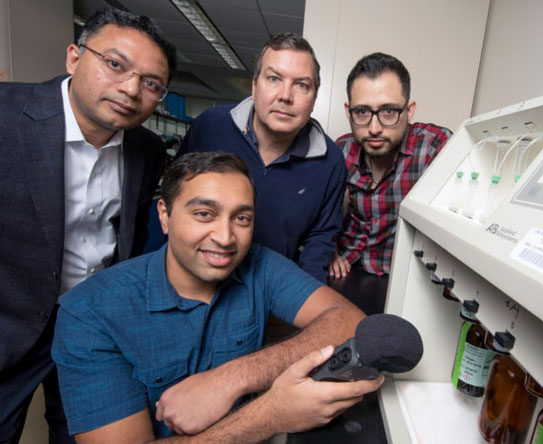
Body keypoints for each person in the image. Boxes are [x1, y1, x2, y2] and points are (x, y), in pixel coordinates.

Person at [52, 152, 383, 442]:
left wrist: (231, 379)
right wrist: (271, 414)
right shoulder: (88, 312)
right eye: (204, 214)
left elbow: (351, 321)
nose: (225, 238)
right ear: (164, 216)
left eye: (241, 218)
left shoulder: (261, 265)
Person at [0, 8, 176, 443]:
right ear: (75, 58)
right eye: (115, 65)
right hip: (10, 326)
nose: (131, 89)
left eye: (151, 84)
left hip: (92, 326)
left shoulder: (147, 149)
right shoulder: (7, 116)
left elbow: (127, 238)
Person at [177, 33, 346, 284]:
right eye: (274, 79)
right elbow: (175, 203)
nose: (285, 95)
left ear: (314, 98)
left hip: (269, 294)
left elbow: (319, 241)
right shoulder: (210, 127)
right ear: (255, 86)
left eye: (301, 85)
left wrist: (306, 307)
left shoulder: (331, 160)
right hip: (193, 282)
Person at [328, 53, 452, 311]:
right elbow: (317, 216)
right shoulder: (341, 150)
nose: (374, 128)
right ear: (348, 112)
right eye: (362, 112)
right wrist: (329, 251)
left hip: (405, 280)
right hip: (347, 269)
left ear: (409, 110)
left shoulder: (434, 147)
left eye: (388, 112)